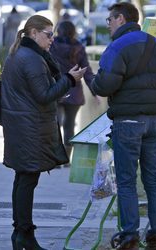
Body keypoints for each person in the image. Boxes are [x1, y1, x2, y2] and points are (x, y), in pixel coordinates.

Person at [91, 2, 156, 250]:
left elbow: (105, 85)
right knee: (153, 179)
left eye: (109, 20)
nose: (108, 24)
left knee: (127, 181)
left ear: (121, 19)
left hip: (128, 121)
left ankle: (129, 236)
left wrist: (92, 82)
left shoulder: (118, 46)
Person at [1, 15, 86, 250]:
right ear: (33, 33)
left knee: (23, 180)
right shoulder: (31, 59)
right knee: (27, 180)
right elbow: (44, 95)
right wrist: (70, 79)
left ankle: (22, 234)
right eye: (48, 34)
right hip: (29, 128)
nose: (52, 40)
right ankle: (24, 235)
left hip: (23, 127)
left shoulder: (22, 54)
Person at [50, 20, 99, 167]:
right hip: (74, 92)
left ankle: (56, 160)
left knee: (55, 124)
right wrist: (95, 91)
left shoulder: (52, 46)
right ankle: (66, 159)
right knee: (69, 125)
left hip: (56, 90)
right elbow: (87, 71)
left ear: (58, 31)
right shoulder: (79, 47)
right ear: (73, 32)